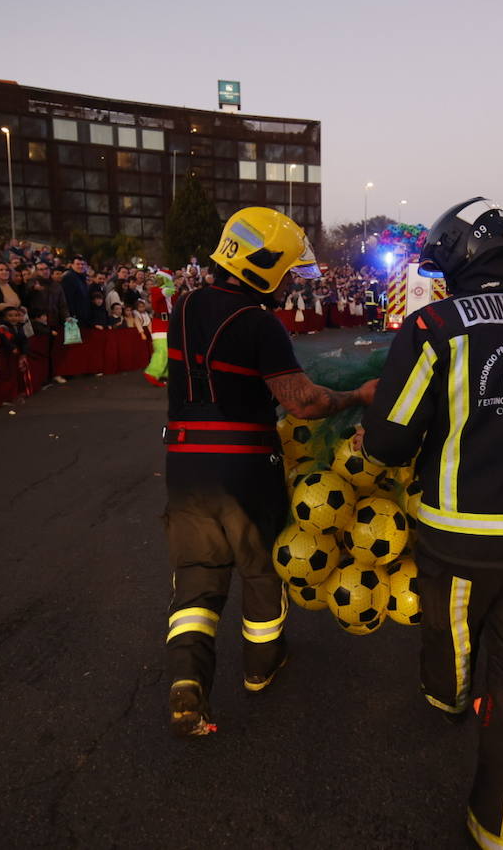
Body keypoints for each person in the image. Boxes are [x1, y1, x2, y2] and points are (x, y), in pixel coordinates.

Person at [362, 197, 503, 850]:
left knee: (451, 637)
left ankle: (447, 698)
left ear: (460, 257)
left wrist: (370, 440)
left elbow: (391, 440)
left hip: (456, 535)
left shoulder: (435, 325)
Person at [164, 207, 376, 739]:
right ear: (263, 267)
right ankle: (260, 667)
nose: (287, 285)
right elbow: (302, 403)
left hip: (184, 464)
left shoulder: (182, 305)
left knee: (197, 577)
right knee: (261, 570)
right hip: (244, 464)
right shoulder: (258, 323)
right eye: (285, 272)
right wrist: (354, 395)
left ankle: (188, 679)